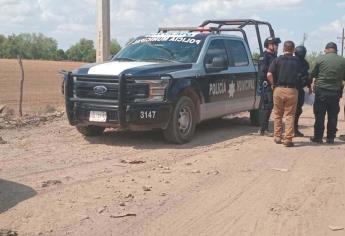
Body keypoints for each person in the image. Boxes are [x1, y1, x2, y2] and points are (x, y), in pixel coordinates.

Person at [267, 40, 303, 147]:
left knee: (278, 114)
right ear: (293, 49)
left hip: (278, 89)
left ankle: (277, 136)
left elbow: (269, 74)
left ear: (283, 49)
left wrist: (273, 85)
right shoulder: (298, 61)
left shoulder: (277, 60)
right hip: (292, 90)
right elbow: (303, 76)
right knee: (290, 115)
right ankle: (288, 138)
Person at [310, 42, 345, 144]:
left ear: (326, 49)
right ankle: (330, 138)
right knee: (333, 115)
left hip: (321, 91)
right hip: (335, 92)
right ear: (335, 50)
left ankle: (318, 137)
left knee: (320, 115)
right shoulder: (342, 61)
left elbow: (313, 74)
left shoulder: (320, 59)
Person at [258, 36, 281, 136]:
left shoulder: (274, 56)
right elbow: (264, 72)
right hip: (267, 85)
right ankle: (263, 129)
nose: (277, 46)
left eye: (277, 44)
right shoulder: (265, 56)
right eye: (275, 44)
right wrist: (271, 82)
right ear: (269, 45)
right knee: (267, 106)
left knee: (270, 106)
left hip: (273, 84)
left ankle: (264, 128)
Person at [294, 45, 311, 137]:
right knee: (295, 111)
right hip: (296, 88)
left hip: (296, 88)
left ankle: (294, 130)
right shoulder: (304, 63)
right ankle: (294, 130)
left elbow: (307, 76)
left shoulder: (303, 63)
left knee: (295, 110)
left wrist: (308, 83)